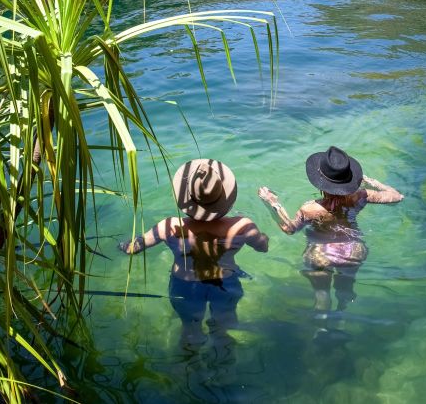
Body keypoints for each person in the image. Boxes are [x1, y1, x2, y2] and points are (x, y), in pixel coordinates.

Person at [120, 158, 269, 346]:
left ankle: (187, 367)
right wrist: (263, 236)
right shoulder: (242, 225)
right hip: (225, 284)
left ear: (187, 199)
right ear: (224, 199)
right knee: (224, 327)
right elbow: (263, 248)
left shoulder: (169, 226)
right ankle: (222, 360)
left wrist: (120, 245)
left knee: (190, 332)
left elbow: (134, 248)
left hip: (185, 285)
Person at [258, 146, 403, 315]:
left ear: (321, 183)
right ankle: (342, 315)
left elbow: (289, 229)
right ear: (350, 181)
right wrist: (372, 182)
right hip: (352, 250)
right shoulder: (362, 196)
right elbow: (397, 196)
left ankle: (323, 327)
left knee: (322, 294)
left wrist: (272, 204)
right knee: (345, 289)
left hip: (320, 252)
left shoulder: (310, 209)